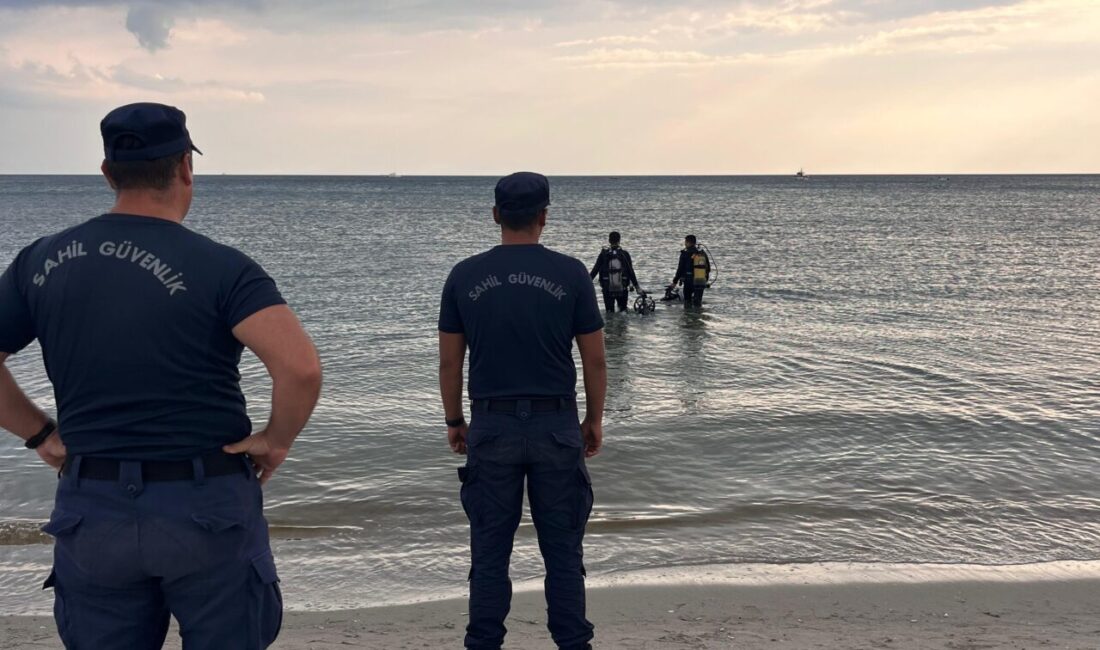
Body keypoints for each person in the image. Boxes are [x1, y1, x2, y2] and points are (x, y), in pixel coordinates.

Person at [0, 102, 322, 649]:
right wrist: (276, 439)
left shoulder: (41, 260)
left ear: (107, 174)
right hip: (205, 503)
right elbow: (299, 367)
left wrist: (39, 433)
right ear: (184, 168)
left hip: (93, 504)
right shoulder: (222, 266)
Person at [438, 172, 606, 650]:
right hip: (557, 425)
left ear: (496, 215)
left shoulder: (464, 276)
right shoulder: (571, 274)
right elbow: (593, 357)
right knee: (563, 553)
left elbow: (451, 360)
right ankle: (573, 643)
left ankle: (483, 643)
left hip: (491, 425)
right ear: (543, 217)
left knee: (490, 553)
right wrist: (594, 420)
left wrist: (455, 420)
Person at [589, 231, 640, 312]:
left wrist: (585, 283)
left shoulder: (603, 254)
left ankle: (610, 324)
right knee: (623, 312)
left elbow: (595, 270)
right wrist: (637, 287)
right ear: (619, 240)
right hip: (622, 288)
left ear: (609, 241)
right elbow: (631, 271)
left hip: (607, 288)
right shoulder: (625, 254)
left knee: (609, 313)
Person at [672, 234, 711, 309]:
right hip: (700, 281)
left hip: (688, 281)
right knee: (697, 303)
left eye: (685, 242)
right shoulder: (701, 253)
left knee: (687, 303)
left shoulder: (685, 253)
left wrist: (675, 282)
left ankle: (688, 318)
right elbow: (708, 268)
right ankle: (698, 318)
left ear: (688, 242)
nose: (685, 244)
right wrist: (704, 280)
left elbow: (680, 269)